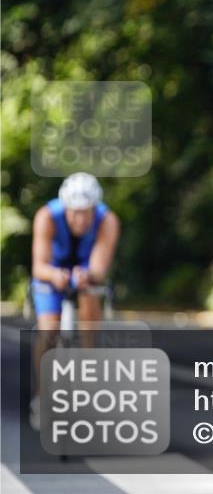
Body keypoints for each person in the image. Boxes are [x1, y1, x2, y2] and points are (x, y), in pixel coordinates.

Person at [28, 172, 120, 429]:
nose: (80, 219)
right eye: (74, 213)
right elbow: (38, 266)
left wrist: (87, 275)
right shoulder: (46, 217)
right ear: (65, 207)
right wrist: (55, 276)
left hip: (85, 274)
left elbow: (99, 267)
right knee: (48, 330)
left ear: (94, 208)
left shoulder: (107, 220)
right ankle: (42, 396)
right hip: (51, 274)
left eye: (86, 212)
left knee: (90, 296)